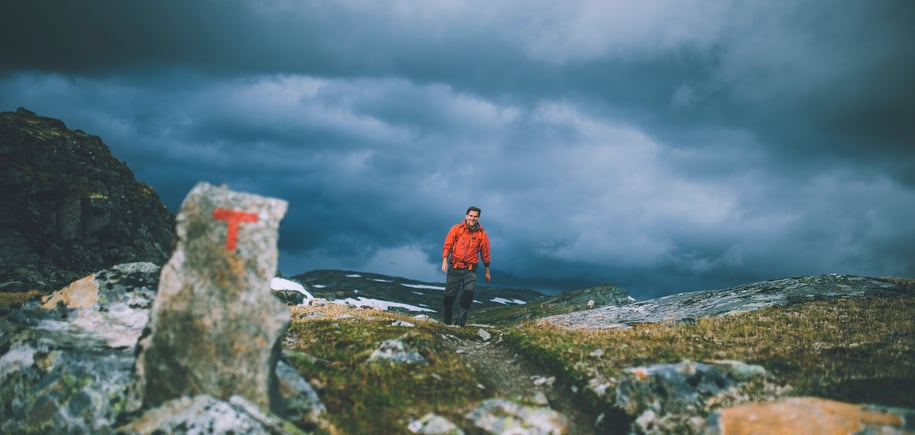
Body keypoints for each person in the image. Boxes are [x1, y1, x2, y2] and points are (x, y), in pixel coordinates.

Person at [441, 206, 491, 326]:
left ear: (478, 218)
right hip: (455, 268)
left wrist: (487, 271)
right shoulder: (456, 229)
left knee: (467, 297)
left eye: (475, 216)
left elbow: (485, 253)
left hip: (470, 271)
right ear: (466, 216)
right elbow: (447, 245)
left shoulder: (482, 234)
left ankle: (460, 323)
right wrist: (444, 260)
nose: (472, 218)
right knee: (449, 298)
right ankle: (447, 322)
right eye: (470, 216)